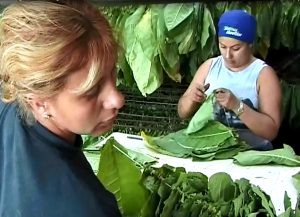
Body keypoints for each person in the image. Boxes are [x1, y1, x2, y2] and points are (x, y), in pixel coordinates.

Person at [0, 1, 124, 217]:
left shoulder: (12, 99)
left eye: (112, 73)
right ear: (39, 103)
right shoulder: (86, 208)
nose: (117, 99)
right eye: (92, 92)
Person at [178, 10, 282, 151]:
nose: (228, 55)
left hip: (253, 154)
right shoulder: (210, 67)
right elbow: (182, 112)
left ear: (250, 44)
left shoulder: (263, 74)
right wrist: (192, 99)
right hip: (212, 152)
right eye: (223, 47)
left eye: (236, 48)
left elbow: (271, 131)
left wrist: (237, 106)